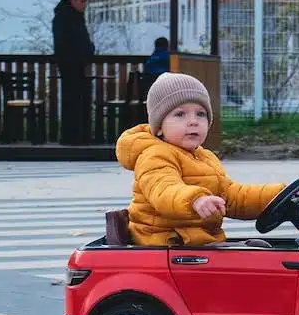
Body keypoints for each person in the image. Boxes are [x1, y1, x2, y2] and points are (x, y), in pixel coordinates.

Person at [115, 72, 288, 246]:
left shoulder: (205, 157)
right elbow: (164, 190)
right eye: (180, 114)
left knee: (260, 252)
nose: (193, 121)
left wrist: (279, 194)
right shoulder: (155, 155)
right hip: (168, 243)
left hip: (199, 244)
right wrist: (196, 200)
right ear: (159, 127)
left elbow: (232, 197)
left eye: (200, 114)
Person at [53, 0, 96, 144]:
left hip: (72, 66)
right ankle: (74, 136)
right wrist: (88, 50)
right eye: (81, 1)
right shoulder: (69, 18)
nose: (84, 5)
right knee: (74, 102)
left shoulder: (67, 17)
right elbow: (76, 42)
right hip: (72, 66)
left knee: (75, 102)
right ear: (73, 0)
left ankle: (75, 136)